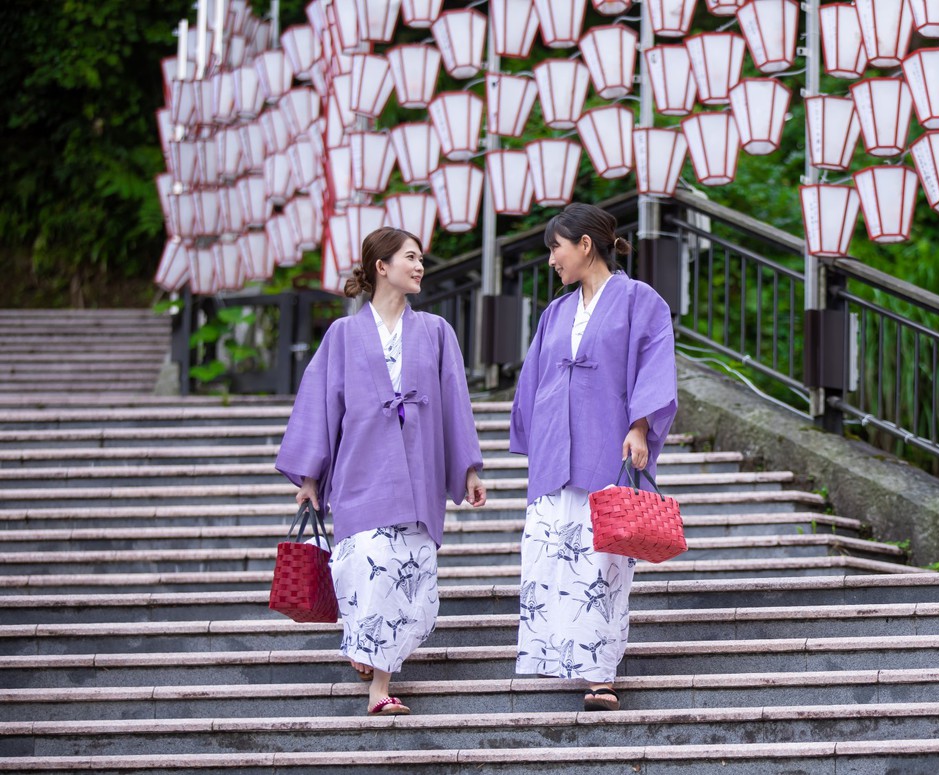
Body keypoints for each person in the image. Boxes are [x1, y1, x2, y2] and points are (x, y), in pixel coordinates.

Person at [275, 226, 487, 717]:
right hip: (359, 474)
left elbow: (455, 402)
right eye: (410, 258)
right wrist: (309, 478)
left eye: (420, 259)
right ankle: (375, 673)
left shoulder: (435, 331)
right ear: (381, 267)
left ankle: (374, 666)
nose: (419, 267)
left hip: (418, 479)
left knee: (405, 577)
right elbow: (320, 405)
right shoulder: (343, 334)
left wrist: (469, 469)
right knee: (369, 569)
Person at [509, 203, 678, 712]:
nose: (552, 260)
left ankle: (600, 675)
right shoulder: (555, 312)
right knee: (551, 557)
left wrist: (640, 425)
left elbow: (655, 358)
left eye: (556, 248)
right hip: (556, 452)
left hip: (609, 445)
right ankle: (556, 656)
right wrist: (533, 435)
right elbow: (534, 378)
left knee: (602, 563)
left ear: (585, 245)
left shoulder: (638, 299)